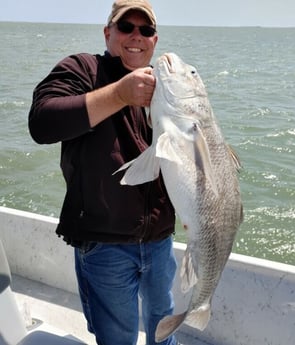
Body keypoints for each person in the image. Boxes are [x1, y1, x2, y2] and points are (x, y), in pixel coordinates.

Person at [28, 1, 180, 344]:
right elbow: (42, 123)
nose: (136, 36)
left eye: (146, 30)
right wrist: (120, 94)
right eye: (126, 26)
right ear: (108, 32)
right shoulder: (83, 69)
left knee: (163, 323)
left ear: (155, 40)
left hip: (159, 240)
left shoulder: (163, 87)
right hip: (105, 245)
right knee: (117, 337)